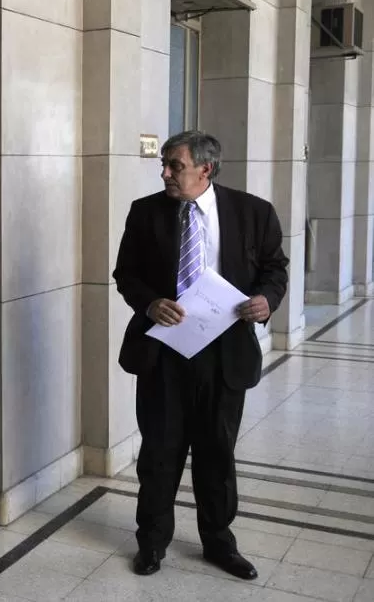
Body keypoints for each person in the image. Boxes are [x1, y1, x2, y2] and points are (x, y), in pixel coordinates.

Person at [112, 130, 289, 580]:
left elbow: (274, 269)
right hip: (163, 354)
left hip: (224, 355)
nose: (165, 172)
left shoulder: (253, 212)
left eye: (175, 166)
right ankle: (151, 543)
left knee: (217, 453)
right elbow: (126, 273)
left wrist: (267, 300)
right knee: (159, 453)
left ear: (206, 169)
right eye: (165, 165)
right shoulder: (146, 212)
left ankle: (218, 544)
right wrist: (150, 302)